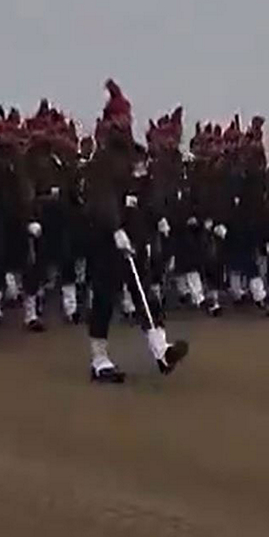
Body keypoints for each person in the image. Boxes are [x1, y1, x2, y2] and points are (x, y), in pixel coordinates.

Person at [81, 80, 188, 382]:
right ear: (110, 121)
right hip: (108, 239)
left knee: (146, 294)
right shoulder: (102, 159)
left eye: (127, 116)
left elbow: (148, 192)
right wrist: (114, 228)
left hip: (137, 235)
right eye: (119, 117)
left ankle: (161, 350)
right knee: (104, 297)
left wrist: (157, 217)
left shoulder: (139, 156)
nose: (125, 122)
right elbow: (102, 197)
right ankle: (99, 358)